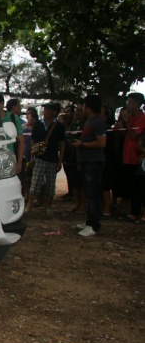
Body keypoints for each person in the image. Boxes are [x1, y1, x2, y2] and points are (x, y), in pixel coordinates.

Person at [72, 95, 106, 237]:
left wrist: (83, 145)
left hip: (94, 162)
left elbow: (102, 143)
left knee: (93, 194)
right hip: (86, 162)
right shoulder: (88, 121)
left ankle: (94, 225)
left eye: (84, 105)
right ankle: (89, 222)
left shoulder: (98, 122)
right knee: (88, 193)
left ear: (89, 106)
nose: (82, 108)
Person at [25, 102, 65, 212]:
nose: (45, 111)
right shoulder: (39, 124)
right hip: (40, 157)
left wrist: (60, 160)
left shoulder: (59, 126)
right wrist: (32, 157)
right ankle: (30, 205)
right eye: (45, 109)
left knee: (51, 183)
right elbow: (33, 140)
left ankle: (48, 205)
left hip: (52, 158)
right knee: (35, 181)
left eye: (48, 109)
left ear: (54, 112)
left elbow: (62, 144)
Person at [121, 92, 145, 222]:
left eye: (129, 102)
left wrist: (126, 122)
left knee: (138, 186)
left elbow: (134, 135)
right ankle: (129, 209)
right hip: (127, 155)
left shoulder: (142, 118)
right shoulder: (129, 117)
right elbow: (127, 136)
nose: (127, 104)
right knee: (129, 184)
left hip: (136, 157)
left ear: (137, 103)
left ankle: (135, 212)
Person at [3, 98, 25, 178]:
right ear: (14, 107)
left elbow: (21, 141)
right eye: (19, 106)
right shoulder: (13, 118)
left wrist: (19, 162)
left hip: (14, 157)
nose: (20, 108)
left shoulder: (14, 118)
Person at [22, 107, 39, 201]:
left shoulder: (39, 126)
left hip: (37, 155)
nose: (27, 116)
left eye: (29, 114)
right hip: (26, 156)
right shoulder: (24, 127)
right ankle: (27, 195)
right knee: (26, 177)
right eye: (26, 114)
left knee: (37, 178)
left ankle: (37, 197)